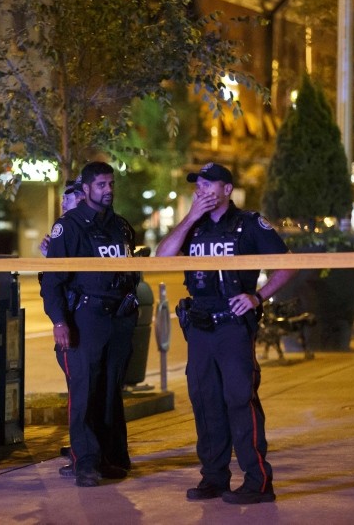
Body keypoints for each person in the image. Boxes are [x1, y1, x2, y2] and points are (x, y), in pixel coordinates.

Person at [155, 162, 296, 504]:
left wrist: (257, 296)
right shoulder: (194, 226)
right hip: (201, 327)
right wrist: (189, 218)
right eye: (197, 186)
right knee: (206, 403)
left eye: (208, 185)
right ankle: (214, 478)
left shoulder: (248, 224)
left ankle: (258, 481)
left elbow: (288, 264)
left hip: (233, 326)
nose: (201, 191)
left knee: (239, 399)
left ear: (227, 190)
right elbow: (161, 258)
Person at [40, 161, 140, 488]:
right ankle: (85, 462)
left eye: (111, 184)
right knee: (84, 390)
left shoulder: (121, 227)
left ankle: (111, 458)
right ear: (85, 190)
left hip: (118, 318)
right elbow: (53, 281)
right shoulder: (69, 228)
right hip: (85, 317)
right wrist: (59, 322)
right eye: (101, 185)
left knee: (110, 390)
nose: (108, 190)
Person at [38, 178, 85, 256]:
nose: (63, 204)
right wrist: (52, 251)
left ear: (80, 199)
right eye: (63, 198)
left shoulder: (65, 224)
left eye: (68, 199)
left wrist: (53, 253)